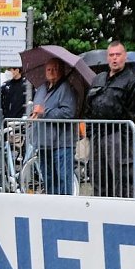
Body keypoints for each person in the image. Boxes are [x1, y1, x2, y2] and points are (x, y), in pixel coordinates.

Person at [84, 40, 135, 198]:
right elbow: (88, 106)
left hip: (118, 137)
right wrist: (90, 133)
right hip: (97, 136)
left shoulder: (131, 80)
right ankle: (101, 210)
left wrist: (122, 137)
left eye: (118, 54)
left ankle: (125, 210)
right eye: (111, 55)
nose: (114, 58)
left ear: (125, 57)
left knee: (122, 180)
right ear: (107, 58)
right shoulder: (98, 79)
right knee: (98, 177)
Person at [30, 58, 78, 195]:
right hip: (44, 143)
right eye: (49, 69)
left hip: (61, 144)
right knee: (49, 179)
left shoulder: (66, 88)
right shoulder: (41, 89)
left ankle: (65, 205)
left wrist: (45, 112)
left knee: (63, 179)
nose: (51, 72)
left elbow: (69, 112)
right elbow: (37, 109)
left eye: (55, 69)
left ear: (61, 71)